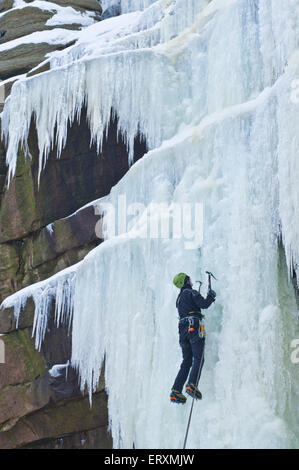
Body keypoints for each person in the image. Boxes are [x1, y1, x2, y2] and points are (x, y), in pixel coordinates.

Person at [170, 272, 216, 404]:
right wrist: (211, 296)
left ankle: (176, 391)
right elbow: (204, 304)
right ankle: (192, 384)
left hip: (183, 331)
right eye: (188, 278)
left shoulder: (179, 298)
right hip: (193, 327)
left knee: (187, 362)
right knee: (198, 358)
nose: (190, 280)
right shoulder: (191, 292)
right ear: (185, 281)